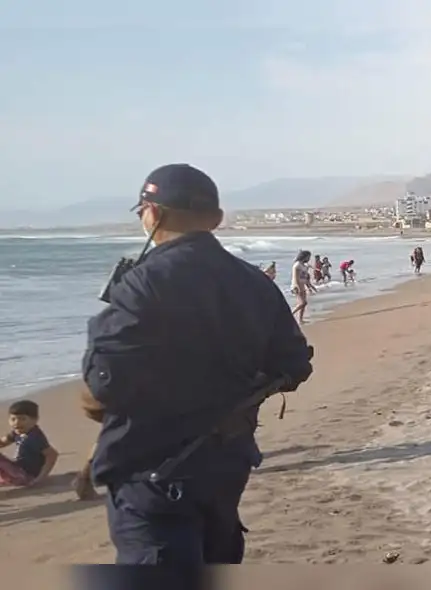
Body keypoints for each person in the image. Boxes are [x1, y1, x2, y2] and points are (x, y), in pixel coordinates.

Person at [80, 163, 314, 565]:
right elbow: (294, 364)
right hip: (226, 462)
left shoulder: (143, 283)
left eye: (141, 212)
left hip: (152, 471)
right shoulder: (255, 283)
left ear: (153, 213)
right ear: (217, 219)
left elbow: (102, 387)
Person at [0, 400, 58, 487]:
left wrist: (40, 478)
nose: (16, 422)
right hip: (18, 469)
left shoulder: (35, 437)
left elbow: (52, 455)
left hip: (26, 476)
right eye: (13, 419)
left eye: (22, 419)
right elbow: (3, 442)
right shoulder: (17, 432)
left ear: (35, 420)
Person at [290, 250, 315, 324]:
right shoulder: (297, 265)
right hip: (297, 286)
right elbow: (295, 277)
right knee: (302, 303)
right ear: (304, 257)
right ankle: (290, 315)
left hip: (302, 285)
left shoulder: (304, 265)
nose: (309, 258)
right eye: (308, 257)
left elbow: (305, 278)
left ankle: (300, 320)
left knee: (304, 304)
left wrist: (310, 286)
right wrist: (297, 287)